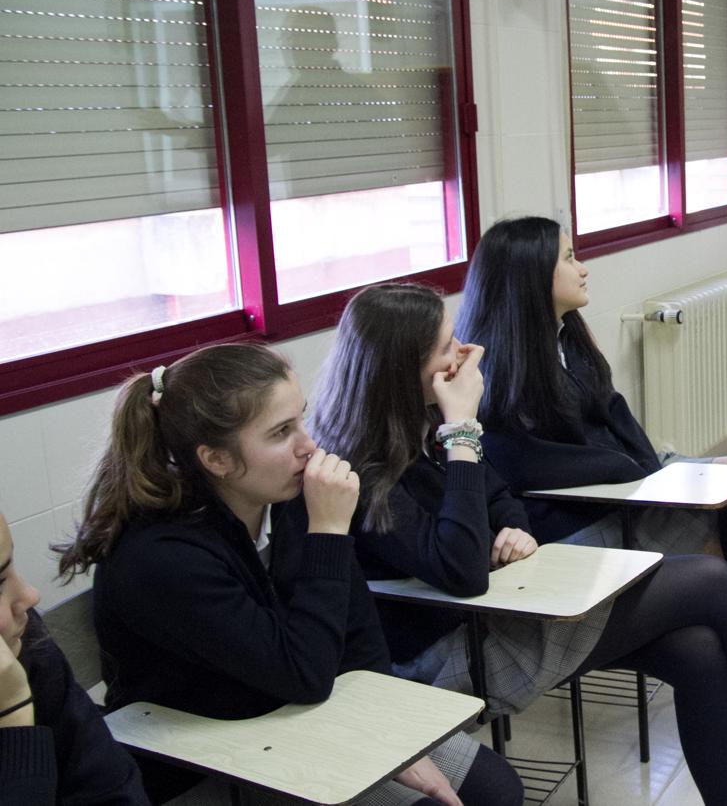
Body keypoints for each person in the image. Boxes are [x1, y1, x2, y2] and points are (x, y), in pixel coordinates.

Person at [307, 282, 727, 806]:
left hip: (506, 613)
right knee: (710, 583)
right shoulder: (359, 470)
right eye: (448, 347)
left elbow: (502, 499)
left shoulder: (421, 426)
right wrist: (464, 431)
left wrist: (510, 525)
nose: (467, 353)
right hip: (450, 654)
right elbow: (462, 571)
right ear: (401, 369)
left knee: (698, 647)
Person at [54, 343, 522, 806]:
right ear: (215, 459)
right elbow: (304, 672)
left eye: (302, 418)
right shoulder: (161, 557)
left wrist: (387, 729)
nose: (309, 445)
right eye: (281, 432)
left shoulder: (286, 498)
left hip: (300, 713)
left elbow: (359, 633)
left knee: (494, 787)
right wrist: (330, 533)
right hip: (217, 753)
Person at [453, 215, 727, 736]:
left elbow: (616, 418)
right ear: (531, 275)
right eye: (569, 258)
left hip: (626, 485)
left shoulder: (567, 337)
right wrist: (640, 475)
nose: (584, 268)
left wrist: (656, 470)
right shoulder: (497, 368)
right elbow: (529, 463)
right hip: (579, 515)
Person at [0, 512, 149, 806]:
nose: (30, 596)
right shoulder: (159, 550)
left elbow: (113, 790)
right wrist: (14, 712)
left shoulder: (27, 644)